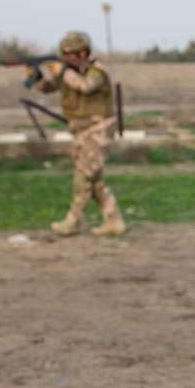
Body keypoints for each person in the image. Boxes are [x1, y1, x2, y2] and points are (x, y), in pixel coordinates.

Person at [33, 31, 125, 237]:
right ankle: (114, 220)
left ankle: (73, 221)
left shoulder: (97, 71)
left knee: (83, 177)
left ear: (83, 53)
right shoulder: (68, 72)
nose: (66, 58)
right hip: (80, 129)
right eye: (63, 55)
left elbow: (85, 87)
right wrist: (36, 76)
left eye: (70, 54)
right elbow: (48, 88)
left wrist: (63, 71)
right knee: (93, 178)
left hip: (98, 129)